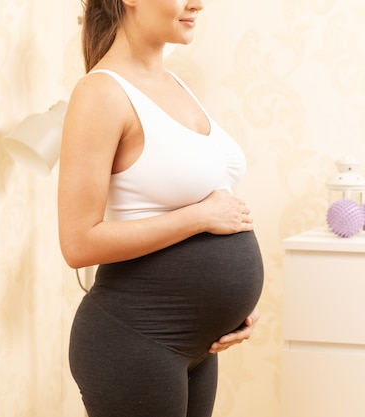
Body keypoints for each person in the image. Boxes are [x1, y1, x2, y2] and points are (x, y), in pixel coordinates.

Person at [57, 0, 264, 416]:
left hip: (197, 345)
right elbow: (78, 243)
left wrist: (233, 306)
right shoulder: (100, 93)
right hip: (135, 339)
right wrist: (201, 218)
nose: (197, 4)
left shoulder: (175, 84)